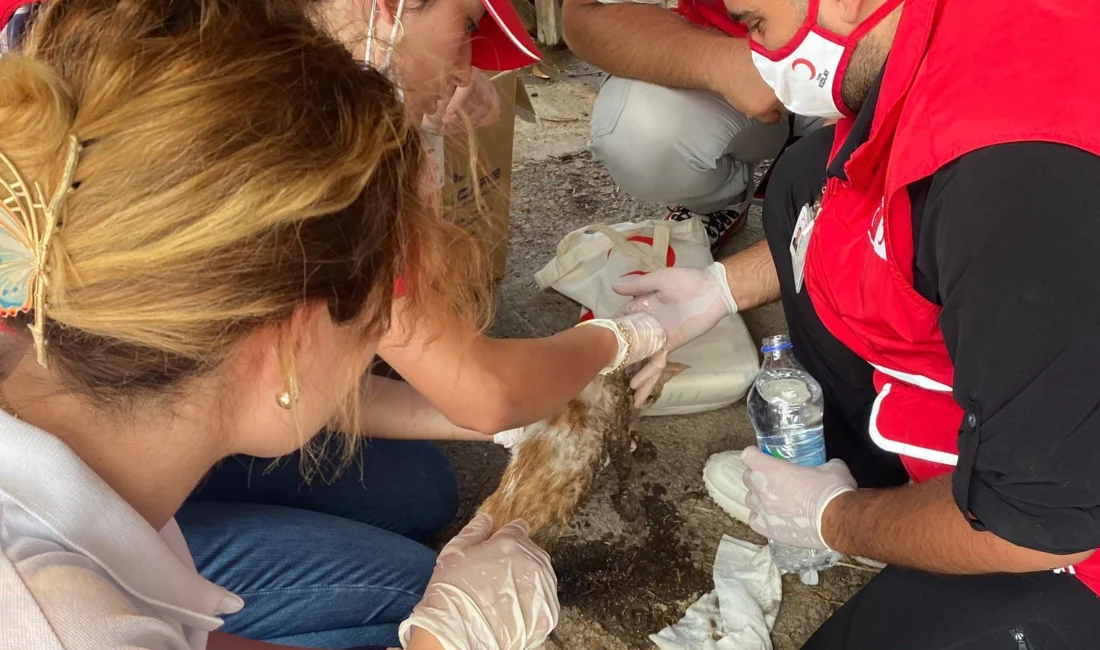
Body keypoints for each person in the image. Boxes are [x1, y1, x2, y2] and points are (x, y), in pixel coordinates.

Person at [0, 2, 559, 650]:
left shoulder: (61, 348)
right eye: (371, 325)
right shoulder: (61, 622)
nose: (373, 348)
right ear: (287, 347)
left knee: (420, 489)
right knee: (410, 578)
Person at [617, 0, 1100, 646]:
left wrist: (838, 518)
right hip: (1046, 394)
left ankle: (907, 518)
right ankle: (891, 488)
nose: (758, 54)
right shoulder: (949, 44)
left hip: (1070, 531)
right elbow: (857, 212)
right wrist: (718, 289)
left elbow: (1045, 519)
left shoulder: (1012, 180)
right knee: (803, 182)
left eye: (756, 23)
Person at [561, 0, 820, 250]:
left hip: (841, 78)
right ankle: (721, 198)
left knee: (833, 229)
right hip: (744, 72)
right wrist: (722, 63)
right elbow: (585, 15)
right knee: (638, 136)